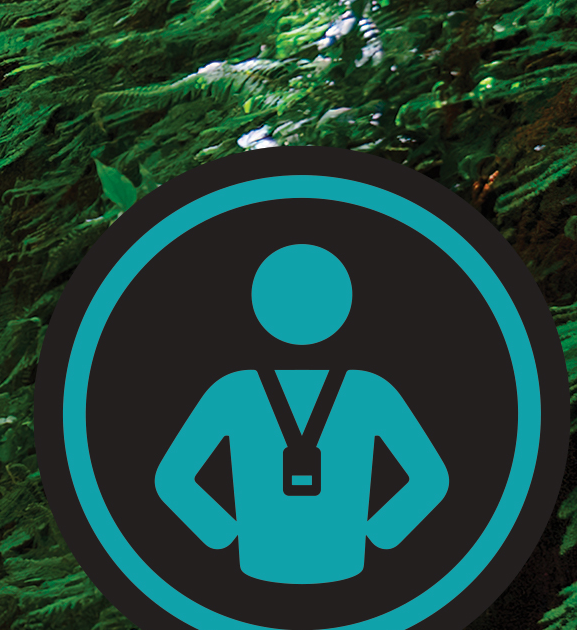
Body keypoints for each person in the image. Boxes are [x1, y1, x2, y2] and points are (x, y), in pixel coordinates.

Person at [154, 243, 447, 586]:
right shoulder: (370, 390)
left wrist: (224, 534)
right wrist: (379, 534)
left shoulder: (233, 391)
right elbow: (431, 478)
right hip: (342, 556)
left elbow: (172, 478)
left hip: (262, 557)